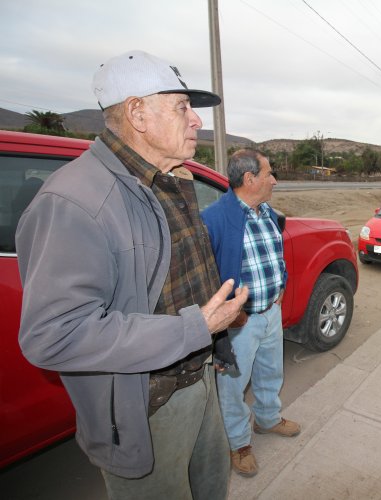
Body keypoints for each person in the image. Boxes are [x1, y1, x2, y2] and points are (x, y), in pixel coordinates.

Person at [15, 50, 249, 499]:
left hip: (200, 377)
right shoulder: (74, 201)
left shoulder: (167, 179)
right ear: (136, 112)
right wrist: (196, 326)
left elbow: (170, 281)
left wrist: (214, 325)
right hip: (147, 406)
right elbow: (54, 335)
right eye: (182, 106)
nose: (197, 120)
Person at [201, 149, 300, 477]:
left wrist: (281, 284)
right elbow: (206, 276)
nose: (274, 180)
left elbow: (275, 254)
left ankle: (269, 419)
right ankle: (238, 443)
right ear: (249, 179)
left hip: (271, 312)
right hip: (238, 324)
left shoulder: (267, 212)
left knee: (271, 371)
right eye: (269, 173)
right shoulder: (214, 219)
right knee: (232, 385)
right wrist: (232, 313)